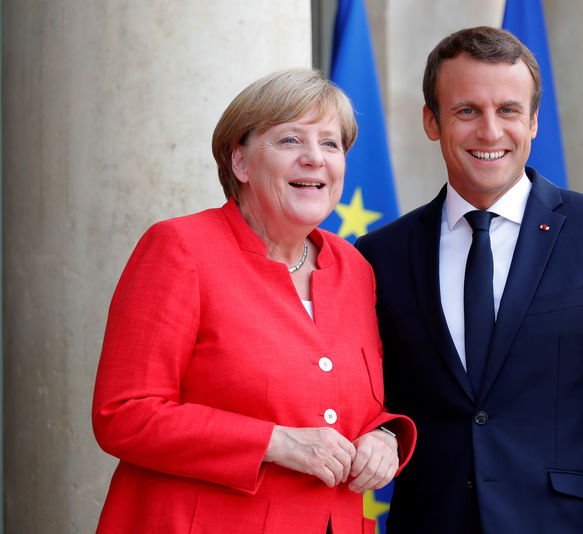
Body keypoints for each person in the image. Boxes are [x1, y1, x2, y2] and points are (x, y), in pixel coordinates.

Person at [355, 26, 583, 533]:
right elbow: (367, 403)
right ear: (431, 121)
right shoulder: (380, 255)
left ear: (533, 123)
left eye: (508, 110)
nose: (489, 131)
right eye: (467, 110)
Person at [92, 68, 416, 534]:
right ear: (240, 162)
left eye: (330, 143)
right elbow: (123, 415)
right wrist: (276, 442)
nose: (314, 159)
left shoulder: (354, 266)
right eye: (290, 141)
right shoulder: (181, 248)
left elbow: (345, 405)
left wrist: (383, 437)